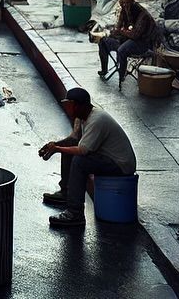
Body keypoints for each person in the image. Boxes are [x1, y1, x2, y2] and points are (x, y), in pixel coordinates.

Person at [39, 87, 137, 227]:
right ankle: (66, 192)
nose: (68, 109)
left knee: (80, 161)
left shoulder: (97, 120)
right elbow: (74, 139)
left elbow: (82, 150)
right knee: (69, 148)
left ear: (80, 106)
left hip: (121, 165)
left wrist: (57, 148)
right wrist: (54, 146)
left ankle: (75, 213)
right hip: (107, 158)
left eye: (70, 105)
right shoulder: (82, 116)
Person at [99, 0, 157, 81]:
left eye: (126, 5)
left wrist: (122, 31)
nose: (124, 8)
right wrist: (111, 33)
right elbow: (119, 28)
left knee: (122, 50)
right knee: (103, 42)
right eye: (123, 6)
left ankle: (122, 75)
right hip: (129, 39)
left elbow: (135, 35)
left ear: (131, 4)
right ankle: (104, 69)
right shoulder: (124, 12)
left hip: (143, 43)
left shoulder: (142, 15)